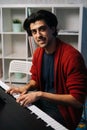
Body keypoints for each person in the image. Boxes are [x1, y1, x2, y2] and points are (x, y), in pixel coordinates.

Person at [6, 10, 87, 130]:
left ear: (53, 29)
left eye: (42, 29)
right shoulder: (38, 53)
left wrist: (40, 94)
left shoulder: (72, 57)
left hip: (63, 112)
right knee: (14, 115)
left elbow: (77, 100)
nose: (38, 35)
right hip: (43, 103)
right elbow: (35, 80)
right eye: (34, 32)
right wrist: (25, 88)